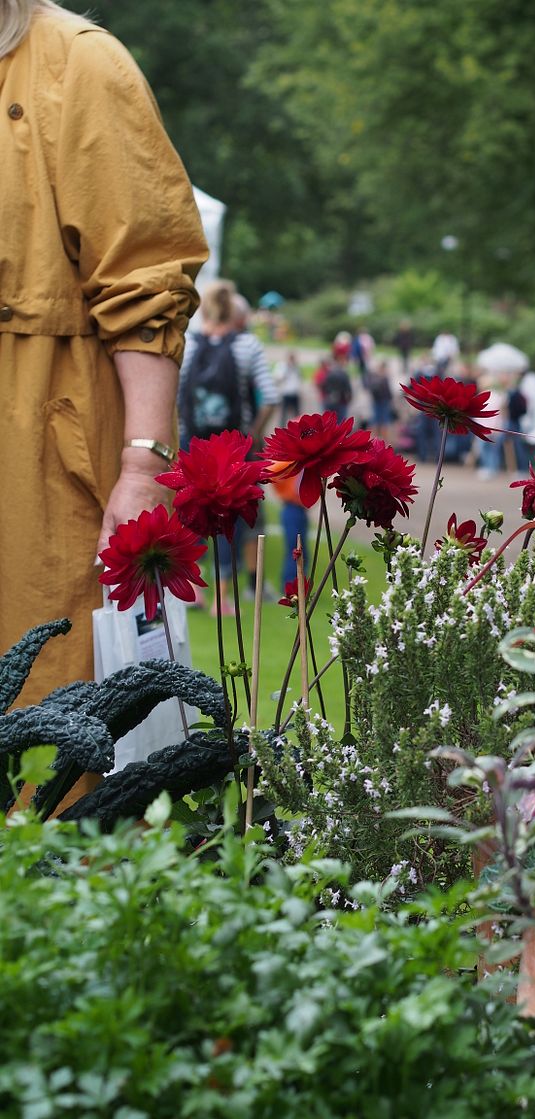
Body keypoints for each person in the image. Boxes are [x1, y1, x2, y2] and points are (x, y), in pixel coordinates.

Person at [0, 0, 208, 705]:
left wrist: (144, 464)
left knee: (51, 737)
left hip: (43, 470)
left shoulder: (79, 64)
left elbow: (147, 280)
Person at [179, 280, 279, 611]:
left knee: (191, 515)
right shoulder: (247, 345)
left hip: (193, 445)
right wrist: (252, 431)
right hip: (233, 448)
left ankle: (194, 589)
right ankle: (223, 600)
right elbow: (271, 395)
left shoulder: (187, 344)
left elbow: (172, 394)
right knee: (229, 522)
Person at [366, 360, 394, 441]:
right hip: (384, 401)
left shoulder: (374, 377)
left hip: (375, 401)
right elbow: (388, 392)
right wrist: (391, 399)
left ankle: (372, 439)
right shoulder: (384, 378)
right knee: (385, 421)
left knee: (375, 420)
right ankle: (384, 440)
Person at [273, 350, 303, 426]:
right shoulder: (282, 366)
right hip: (285, 393)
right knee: (283, 414)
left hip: (295, 393)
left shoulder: (296, 367)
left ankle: (297, 427)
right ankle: (282, 429)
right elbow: (277, 378)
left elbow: (298, 379)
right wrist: (286, 369)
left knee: (296, 414)